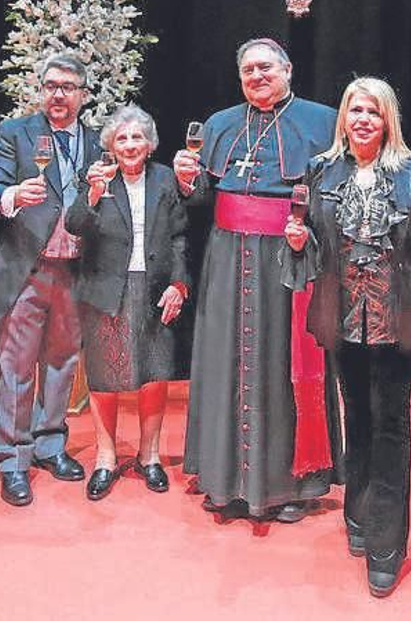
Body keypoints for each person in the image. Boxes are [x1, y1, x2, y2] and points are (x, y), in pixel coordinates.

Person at [282, 77, 411, 597]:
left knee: (390, 426)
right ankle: (358, 514)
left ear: (387, 121)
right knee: (356, 416)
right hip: (341, 317)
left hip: (398, 319)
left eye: (373, 112)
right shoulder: (321, 170)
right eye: (355, 110)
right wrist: (298, 241)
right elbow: (312, 243)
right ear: (344, 117)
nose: (363, 120)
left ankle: (386, 543)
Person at [174, 37, 338, 523]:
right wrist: (187, 181)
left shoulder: (322, 121)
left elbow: (334, 191)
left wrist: (309, 236)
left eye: (266, 67)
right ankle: (223, 480)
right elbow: (202, 196)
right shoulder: (220, 124)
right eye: (248, 70)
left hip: (287, 258)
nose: (257, 76)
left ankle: (292, 485)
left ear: (287, 70)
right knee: (224, 361)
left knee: (283, 364)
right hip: (227, 257)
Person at [0, 53, 100, 506]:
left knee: (62, 361)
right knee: (17, 365)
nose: (57, 95)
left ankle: (50, 444)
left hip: (75, 270)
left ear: (83, 95)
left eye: (67, 87)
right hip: (27, 267)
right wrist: (12, 194)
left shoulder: (96, 142)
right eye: (50, 86)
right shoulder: (15, 133)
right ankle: (12, 459)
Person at [64, 105, 190, 501]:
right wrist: (92, 193)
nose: (131, 144)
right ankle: (105, 457)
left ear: (150, 144)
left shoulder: (165, 179)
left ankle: (148, 455)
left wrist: (179, 284)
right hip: (105, 290)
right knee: (104, 377)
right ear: (111, 146)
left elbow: (179, 237)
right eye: (122, 138)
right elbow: (74, 225)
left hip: (154, 290)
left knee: (154, 373)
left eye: (138, 137)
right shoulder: (97, 178)